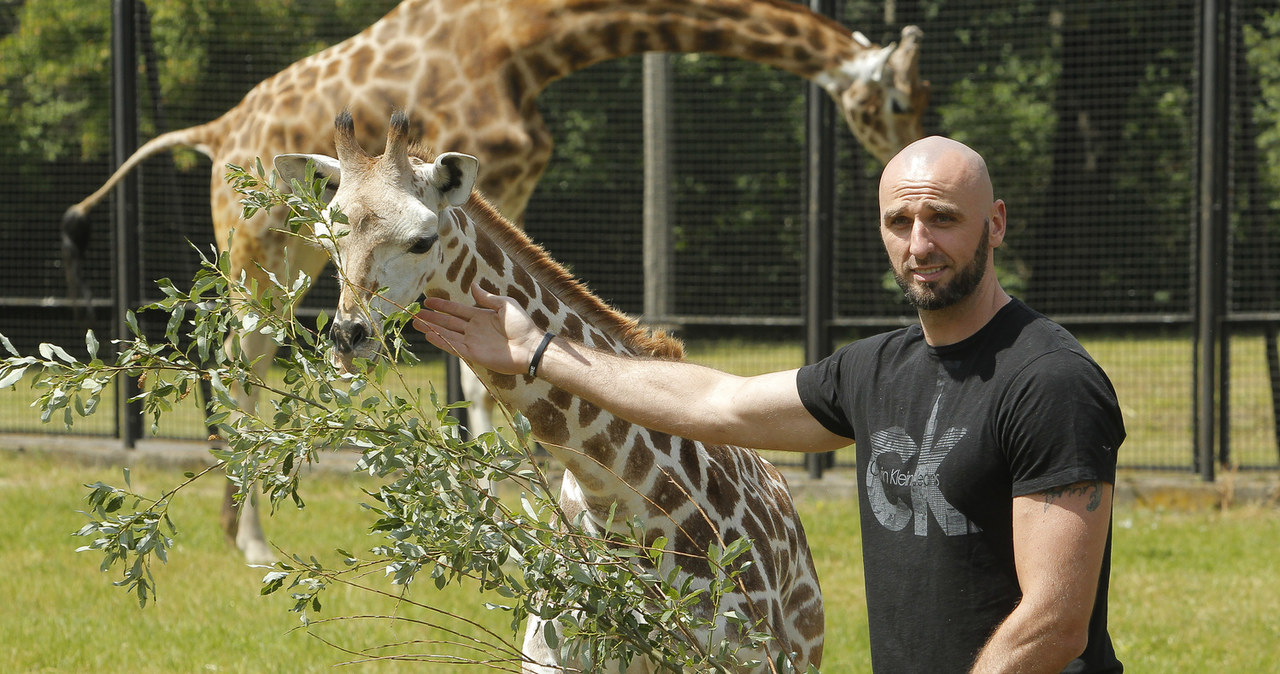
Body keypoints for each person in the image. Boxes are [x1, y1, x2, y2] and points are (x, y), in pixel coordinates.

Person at [413, 136, 1125, 673]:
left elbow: (1056, 621)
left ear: (995, 223)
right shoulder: (878, 370)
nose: (919, 244)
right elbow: (719, 402)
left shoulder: (1050, 381)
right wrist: (542, 352)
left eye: (943, 218)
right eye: (899, 221)